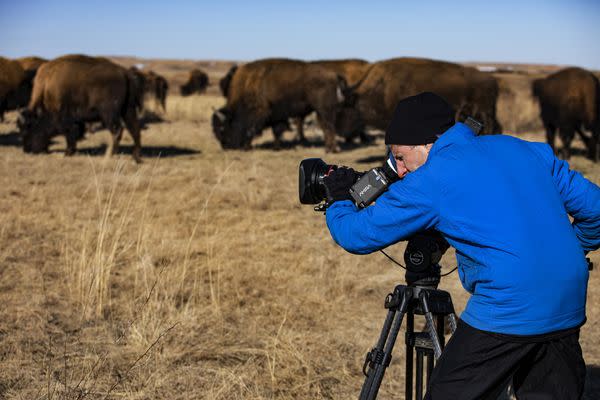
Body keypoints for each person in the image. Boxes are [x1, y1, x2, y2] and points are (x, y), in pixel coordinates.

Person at [323, 92, 600, 400]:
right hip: (567, 301)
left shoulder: (432, 179)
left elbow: (354, 235)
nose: (399, 170)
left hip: (508, 307)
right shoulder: (525, 149)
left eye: (399, 156)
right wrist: (571, 250)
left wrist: (338, 199)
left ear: (428, 143)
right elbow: (596, 209)